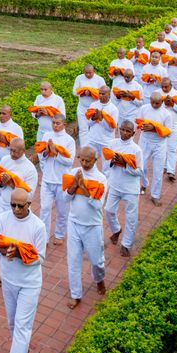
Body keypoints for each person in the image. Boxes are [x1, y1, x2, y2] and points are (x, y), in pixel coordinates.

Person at [0, 187, 47, 353]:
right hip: (8, 279)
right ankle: (21, 348)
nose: (16, 209)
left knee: (23, 325)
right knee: (12, 321)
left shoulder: (38, 226)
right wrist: (3, 250)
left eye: (20, 205)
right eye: (13, 205)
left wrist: (20, 254)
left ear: (29, 205)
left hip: (29, 283)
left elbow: (40, 258)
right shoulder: (3, 219)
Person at [64, 146, 107, 308]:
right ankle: (75, 294)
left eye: (88, 160)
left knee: (97, 260)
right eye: (81, 159)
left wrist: (84, 187)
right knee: (73, 260)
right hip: (74, 223)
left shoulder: (101, 179)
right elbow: (65, 199)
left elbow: (98, 206)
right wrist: (74, 186)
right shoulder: (73, 172)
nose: (84, 163)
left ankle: (99, 278)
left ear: (95, 160)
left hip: (93, 226)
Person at [104, 120, 143, 256]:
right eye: (123, 130)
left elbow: (139, 171)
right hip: (115, 184)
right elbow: (107, 162)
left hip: (130, 189)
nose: (125, 133)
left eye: (128, 131)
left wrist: (125, 165)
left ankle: (126, 244)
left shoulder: (136, 149)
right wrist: (113, 162)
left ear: (133, 133)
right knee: (108, 210)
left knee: (131, 217)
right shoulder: (112, 144)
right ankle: (116, 229)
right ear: (119, 129)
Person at [37, 113, 76, 245]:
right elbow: (41, 156)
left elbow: (69, 161)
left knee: (62, 211)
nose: (55, 125)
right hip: (47, 180)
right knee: (44, 208)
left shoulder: (69, 141)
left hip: (62, 182)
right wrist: (47, 152)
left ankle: (59, 234)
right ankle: (44, 237)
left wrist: (56, 153)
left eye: (57, 123)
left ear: (64, 124)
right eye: (53, 122)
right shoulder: (46, 136)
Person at [137, 91, 172, 206]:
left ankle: (155, 195)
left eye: (157, 103)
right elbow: (139, 123)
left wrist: (154, 128)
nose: (154, 105)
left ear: (162, 101)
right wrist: (144, 126)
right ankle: (144, 184)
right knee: (141, 166)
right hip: (145, 141)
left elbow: (168, 133)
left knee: (158, 171)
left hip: (159, 144)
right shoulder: (144, 109)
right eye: (152, 102)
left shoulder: (166, 114)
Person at [0, 104, 24, 204]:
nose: (1, 115)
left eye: (4, 113)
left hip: (11, 163)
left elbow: (20, 148)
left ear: (10, 114)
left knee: (9, 189)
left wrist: (6, 141)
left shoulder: (16, 128)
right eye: (0, 113)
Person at [84, 85, 119, 169]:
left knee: (106, 168)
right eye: (100, 93)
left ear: (109, 94)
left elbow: (111, 129)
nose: (101, 96)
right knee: (89, 164)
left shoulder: (113, 109)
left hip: (106, 142)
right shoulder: (93, 105)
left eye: (103, 94)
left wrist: (101, 119)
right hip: (93, 139)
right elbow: (88, 123)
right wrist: (94, 118)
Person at [159, 77, 177, 183]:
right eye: (163, 87)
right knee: (162, 148)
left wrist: (173, 105)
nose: (164, 89)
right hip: (161, 126)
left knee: (172, 149)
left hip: (174, 126)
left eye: (166, 87)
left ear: (171, 85)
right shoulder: (157, 93)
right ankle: (164, 167)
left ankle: (171, 171)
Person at [72, 64, 106, 143]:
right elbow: (74, 91)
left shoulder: (99, 79)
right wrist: (83, 93)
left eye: (90, 73)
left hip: (95, 108)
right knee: (83, 129)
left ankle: (93, 148)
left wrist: (92, 93)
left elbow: (104, 93)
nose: (88, 74)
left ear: (94, 71)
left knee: (95, 128)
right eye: (86, 73)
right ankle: (84, 149)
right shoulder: (79, 78)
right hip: (82, 107)